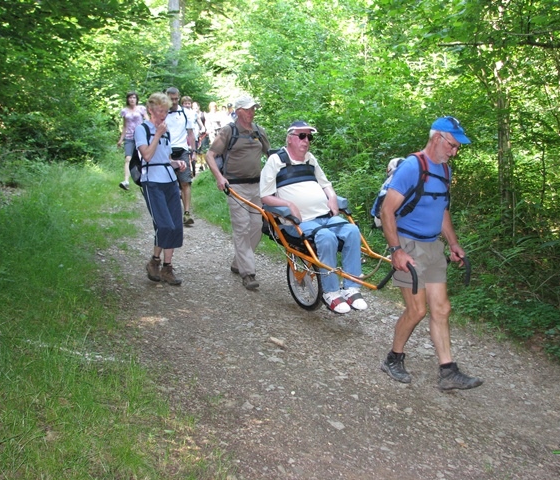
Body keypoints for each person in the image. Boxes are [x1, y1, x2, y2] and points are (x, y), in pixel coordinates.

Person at [379, 116, 483, 390]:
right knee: (416, 310)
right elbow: (386, 211)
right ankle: (393, 358)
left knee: (442, 308)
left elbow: (442, 210)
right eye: (452, 145)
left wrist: (454, 243)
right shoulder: (412, 167)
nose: (455, 151)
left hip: (434, 246)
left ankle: (448, 371)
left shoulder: (445, 171)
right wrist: (396, 250)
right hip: (408, 245)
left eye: (457, 147)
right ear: (437, 138)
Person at [260, 121, 367, 314]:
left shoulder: (310, 159)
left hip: (324, 216)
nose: (307, 140)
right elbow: (265, 196)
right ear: (290, 138)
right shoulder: (276, 161)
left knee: (352, 230)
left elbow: (326, 184)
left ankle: (351, 287)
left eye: (310, 137)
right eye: (302, 136)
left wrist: (332, 197)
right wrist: (289, 204)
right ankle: (331, 291)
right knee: (326, 237)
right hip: (298, 222)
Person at [205, 95, 270, 290]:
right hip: (236, 187)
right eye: (248, 109)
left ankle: (238, 261)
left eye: (253, 109)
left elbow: (271, 154)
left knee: (257, 227)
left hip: (257, 186)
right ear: (238, 110)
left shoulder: (259, 131)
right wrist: (219, 177)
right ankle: (248, 273)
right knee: (242, 227)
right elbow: (210, 155)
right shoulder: (228, 131)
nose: (252, 112)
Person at [135, 92, 187, 286]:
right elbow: (147, 156)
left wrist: (176, 163)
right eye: (159, 111)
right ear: (150, 109)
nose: (163, 115)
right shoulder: (143, 129)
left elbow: (163, 158)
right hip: (152, 182)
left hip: (169, 180)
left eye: (165, 111)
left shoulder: (166, 131)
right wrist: (157, 134)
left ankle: (167, 267)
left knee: (175, 225)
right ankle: (154, 262)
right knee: (164, 225)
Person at [165, 87, 197, 226]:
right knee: (167, 183)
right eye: (171, 99)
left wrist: (194, 151)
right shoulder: (162, 113)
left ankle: (187, 213)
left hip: (182, 149)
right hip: (166, 150)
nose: (174, 101)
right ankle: (170, 212)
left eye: (176, 98)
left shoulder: (186, 113)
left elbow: (190, 133)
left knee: (185, 182)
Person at [117, 91, 148, 191]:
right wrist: (121, 139)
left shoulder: (141, 109)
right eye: (130, 98)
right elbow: (125, 126)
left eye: (134, 97)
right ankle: (126, 181)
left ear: (136, 99)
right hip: (129, 138)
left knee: (144, 157)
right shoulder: (124, 111)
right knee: (128, 158)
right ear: (127, 99)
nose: (132, 99)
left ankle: (146, 177)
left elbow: (147, 120)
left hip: (141, 137)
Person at [181, 96, 206, 176]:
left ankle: (193, 171)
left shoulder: (194, 114)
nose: (187, 105)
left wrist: (202, 129)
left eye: (189, 103)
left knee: (193, 154)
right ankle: (187, 171)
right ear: (182, 104)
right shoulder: (180, 113)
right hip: (183, 138)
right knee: (185, 155)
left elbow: (201, 125)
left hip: (193, 136)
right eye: (185, 103)